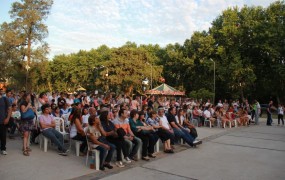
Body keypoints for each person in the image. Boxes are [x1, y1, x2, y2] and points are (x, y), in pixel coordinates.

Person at [0, 88, 12, 155]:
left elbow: (10, 109)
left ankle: (3, 148)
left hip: (2, 120)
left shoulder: (4, 99)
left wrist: (7, 118)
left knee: (3, 135)